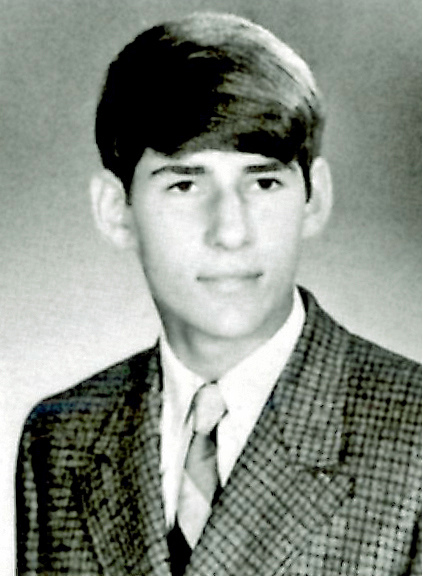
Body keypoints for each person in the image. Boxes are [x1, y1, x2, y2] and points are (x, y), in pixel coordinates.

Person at [16, 11, 422, 576]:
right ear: (116, 211)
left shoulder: (412, 435)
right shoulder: (60, 437)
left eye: (264, 181)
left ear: (314, 198)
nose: (230, 231)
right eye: (185, 184)